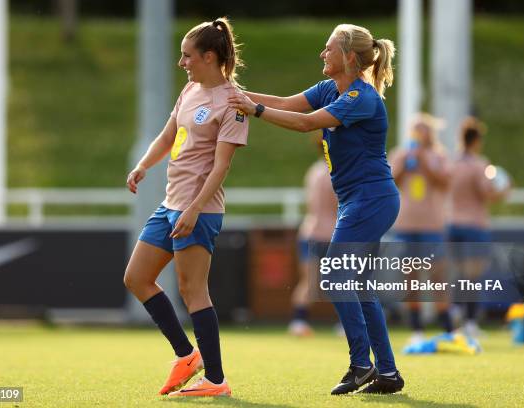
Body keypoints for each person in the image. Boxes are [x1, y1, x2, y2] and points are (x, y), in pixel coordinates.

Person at [229, 23, 404, 395]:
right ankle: (387, 373)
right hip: (360, 200)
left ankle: (361, 365)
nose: (322, 54)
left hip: (371, 199)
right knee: (358, 286)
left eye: (328, 49)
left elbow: (305, 122)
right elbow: (289, 104)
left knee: (336, 278)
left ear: (349, 57)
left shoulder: (362, 97)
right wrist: (231, 93)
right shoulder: (330, 88)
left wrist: (254, 109)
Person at [123, 17, 248, 398]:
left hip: (199, 210)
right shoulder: (190, 89)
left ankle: (216, 380)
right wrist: (144, 164)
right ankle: (186, 355)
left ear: (209, 57)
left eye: (187, 56)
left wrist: (194, 208)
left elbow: (221, 165)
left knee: (194, 291)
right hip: (170, 204)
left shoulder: (233, 103)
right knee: (136, 278)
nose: (182, 63)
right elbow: (167, 135)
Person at [388, 113, 453, 344]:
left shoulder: (439, 156)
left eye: (422, 128)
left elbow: (445, 182)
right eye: (415, 128)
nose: (418, 133)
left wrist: (424, 162)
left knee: (437, 277)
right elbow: (389, 181)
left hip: (432, 226)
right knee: (410, 279)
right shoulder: (401, 154)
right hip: (406, 225)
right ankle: (415, 328)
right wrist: (405, 165)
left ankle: (447, 328)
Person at [447, 117, 510, 337]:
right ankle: (470, 321)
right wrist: (505, 190)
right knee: (472, 275)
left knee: (458, 273)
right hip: (474, 224)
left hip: (452, 224)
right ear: (477, 141)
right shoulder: (479, 164)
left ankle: (455, 311)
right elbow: (487, 194)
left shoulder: (451, 163)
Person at [289, 134, 338, 337]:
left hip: (309, 231)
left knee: (308, 281)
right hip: (332, 232)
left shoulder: (314, 172)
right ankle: (345, 324)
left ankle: (299, 322)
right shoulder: (338, 173)